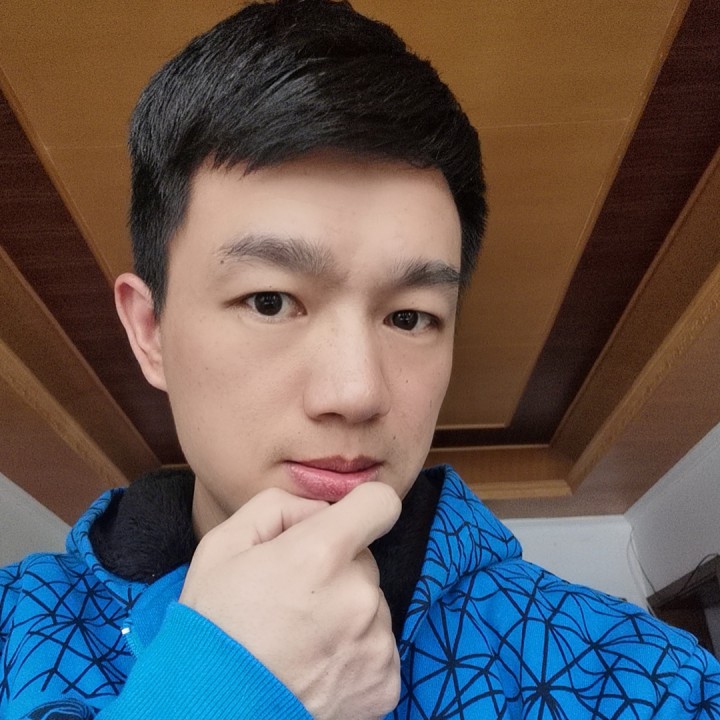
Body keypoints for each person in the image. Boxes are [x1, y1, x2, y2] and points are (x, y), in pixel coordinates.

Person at [1, 0, 719, 717]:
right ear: (150, 331)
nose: (356, 391)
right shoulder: (15, 629)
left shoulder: (647, 678)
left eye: (410, 317)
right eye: (271, 301)